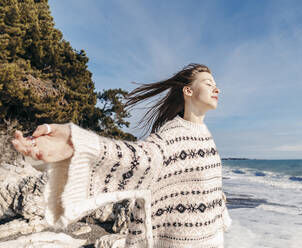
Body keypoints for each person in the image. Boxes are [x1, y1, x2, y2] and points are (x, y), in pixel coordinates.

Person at [12, 63, 232, 248]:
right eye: (208, 83)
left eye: (216, 84)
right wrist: (75, 144)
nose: (217, 89)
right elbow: (136, 158)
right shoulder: (171, 136)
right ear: (188, 91)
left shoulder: (205, 135)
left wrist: (218, 206)